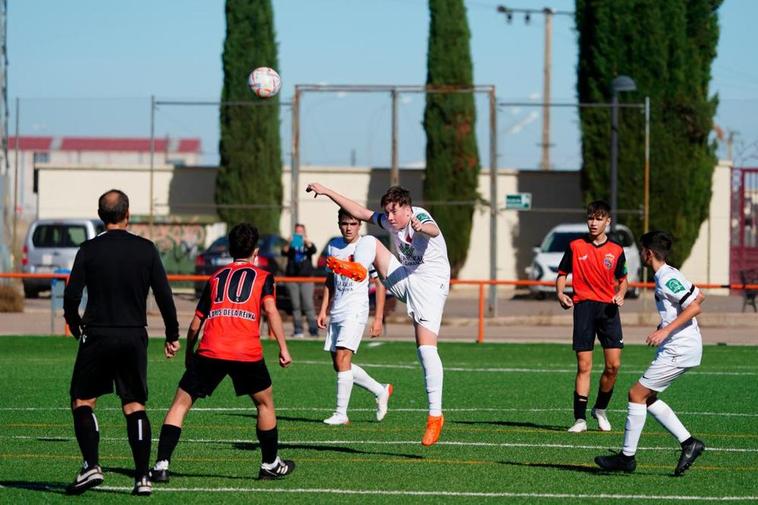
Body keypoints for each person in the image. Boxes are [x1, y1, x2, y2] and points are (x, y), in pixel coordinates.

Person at [305, 183, 449, 446]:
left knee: (426, 350)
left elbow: (434, 229)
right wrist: (327, 191)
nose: (390, 218)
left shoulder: (420, 216)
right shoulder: (391, 222)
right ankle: (359, 270)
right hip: (406, 278)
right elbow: (359, 211)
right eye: (387, 213)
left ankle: (435, 415)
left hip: (430, 285)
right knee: (371, 240)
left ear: (407, 208)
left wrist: (421, 227)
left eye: (394, 212)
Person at [150, 223, 295, 482]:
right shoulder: (263, 277)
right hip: (245, 351)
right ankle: (270, 463)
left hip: (211, 348)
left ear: (229, 249)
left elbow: (196, 322)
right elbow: (271, 310)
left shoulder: (215, 277)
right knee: (264, 403)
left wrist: (189, 353)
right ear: (256, 251)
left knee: (181, 404)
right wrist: (283, 348)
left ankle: (161, 464)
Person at [63, 189, 179, 496]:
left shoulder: (88, 250)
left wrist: (77, 328)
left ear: (101, 217)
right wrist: (172, 335)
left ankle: (91, 465)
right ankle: (142, 478)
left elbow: (72, 296)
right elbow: (164, 296)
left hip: (97, 334)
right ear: (127, 215)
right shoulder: (146, 249)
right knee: (134, 405)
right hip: (132, 336)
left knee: (83, 401)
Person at [595, 231, 705, 475]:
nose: (642, 254)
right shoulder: (670, 274)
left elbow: (694, 306)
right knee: (646, 397)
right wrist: (665, 325)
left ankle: (626, 458)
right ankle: (689, 443)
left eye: (643, 250)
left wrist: (665, 331)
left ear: (649, 253)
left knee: (636, 394)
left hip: (679, 347)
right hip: (680, 346)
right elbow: (699, 295)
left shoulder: (666, 277)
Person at [556, 200, 628, 433]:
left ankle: (600, 409)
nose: (593, 223)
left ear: (608, 221)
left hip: (608, 310)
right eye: (590, 218)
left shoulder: (616, 250)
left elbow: (623, 279)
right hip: (584, 308)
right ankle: (580, 419)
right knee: (584, 366)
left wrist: (621, 294)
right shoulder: (575, 246)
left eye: (599, 219)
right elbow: (562, 273)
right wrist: (560, 293)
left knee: (613, 366)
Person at [317, 208, 393, 425]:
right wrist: (324, 309)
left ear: (359, 225)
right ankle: (380, 390)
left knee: (343, 359)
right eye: (344, 223)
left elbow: (379, 284)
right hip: (337, 310)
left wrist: (377, 318)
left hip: (356, 310)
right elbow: (330, 282)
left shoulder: (365, 247)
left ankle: (341, 414)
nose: (348, 228)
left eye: (352, 223)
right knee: (339, 364)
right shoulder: (334, 246)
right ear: (339, 224)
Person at [282, 223, 319, 338]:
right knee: (295, 306)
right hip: (292, 278)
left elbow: (313, 250)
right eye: (296, 231)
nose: (298, 234)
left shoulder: (307, 244)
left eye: (300, 232)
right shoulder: (291, 245)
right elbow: (283, 252)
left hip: (306, 278)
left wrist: (306, 241)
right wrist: (289, 242)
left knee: (308, 305)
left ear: (304, 232)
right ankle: (298, 330)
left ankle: (313, 330)